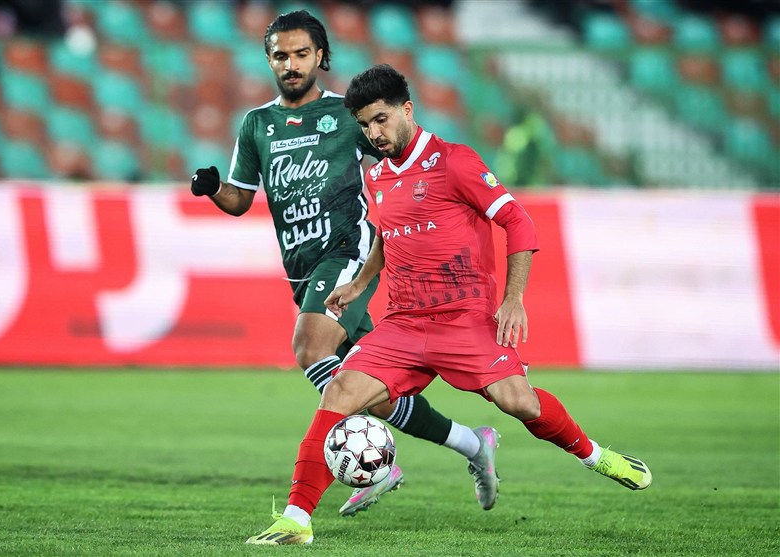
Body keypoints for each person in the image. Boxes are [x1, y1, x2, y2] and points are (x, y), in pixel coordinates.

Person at [245, 64, 653, 545]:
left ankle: (596, 456)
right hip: (403, 323)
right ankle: (297, 519)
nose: (374, 133)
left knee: (519, 403)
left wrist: (513, 299)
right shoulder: (377, 176)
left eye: (381, 119)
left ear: (407, 109)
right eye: (365, 124)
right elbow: (389, 234)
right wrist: (360, 283)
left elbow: (519, 222)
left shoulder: (455, 161)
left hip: (464, 320)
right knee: (338, 392)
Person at [189, 11, 500, 518]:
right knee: (375, 394)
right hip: (301, 269)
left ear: (320, 56)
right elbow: (241, 199)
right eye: (280, 55)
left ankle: (369, 465)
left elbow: (403, 156)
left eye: (301, 54)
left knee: (309, 346)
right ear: (268, 60)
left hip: (347, 252)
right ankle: (473, 443)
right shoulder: (257, 125)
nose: (290, 64)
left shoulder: (346, 115)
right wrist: (212, 188)